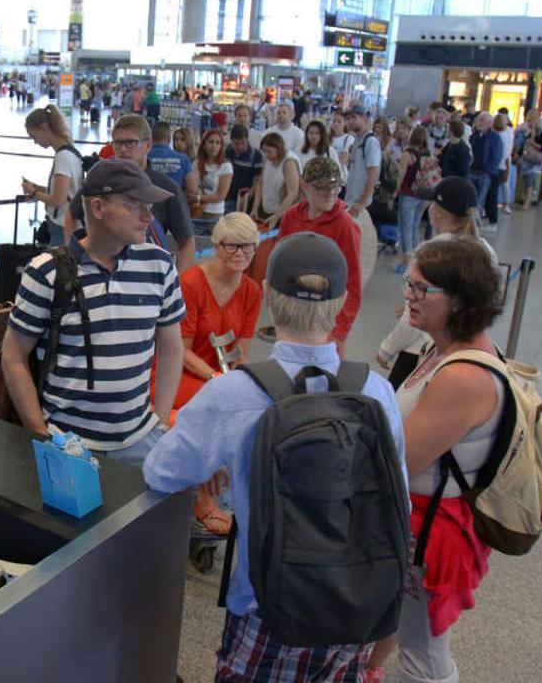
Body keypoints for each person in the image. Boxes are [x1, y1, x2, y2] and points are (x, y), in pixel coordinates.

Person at [144, 232, 406, 683]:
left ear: (265, 294)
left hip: (268, 605)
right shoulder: (376, 392)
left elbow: (161, 471)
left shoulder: (234, 393)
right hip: (357, 602)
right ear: (342, 302)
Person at [362, 236, 504, 683]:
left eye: (422, 289)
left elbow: (402, 460)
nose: (408, 296)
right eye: (409, 283)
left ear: (460, 299)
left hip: (432, 536)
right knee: (410, 634)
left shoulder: (464, 375)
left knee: (424, 656)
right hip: (417, 524)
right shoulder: (438, 348)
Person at [1, 159, 185, 465]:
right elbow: (14, 356)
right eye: (134, 205)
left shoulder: (159, 265)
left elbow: (171, 349)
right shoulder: (46, 271)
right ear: (98, 208)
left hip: (142, 441)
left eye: (148, 206)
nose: (148, 216)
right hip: (68, 444)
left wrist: (160, 424)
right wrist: (41, 433)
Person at [375, 177, 493, 388]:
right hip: (465, 351)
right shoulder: (485, 252)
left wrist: (387, 348)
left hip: (421, 352)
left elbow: (414, 315)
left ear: (441, 212)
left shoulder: (430, 255)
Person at [66, 115, 196, 270]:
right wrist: (73, 259)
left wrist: (176, 285)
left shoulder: (166, 188)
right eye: (118, 143)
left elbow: (187, 242)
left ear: (148, 146)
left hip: (147, 277)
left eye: (131, 142)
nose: (123, 149)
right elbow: (72, 213)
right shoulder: (101, 181)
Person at [171, 212, 261, 408]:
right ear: (216, 247)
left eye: (247, 246)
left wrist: (236, 378)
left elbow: (240, 354)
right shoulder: (191, 284)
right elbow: (181, 353)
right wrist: (218, 380)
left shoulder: (253, 292)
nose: (240, 253)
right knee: (223, 404)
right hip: (177, 373)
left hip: (219, 375)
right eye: (231, 246)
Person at [277, 156, 362, 355]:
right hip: (293, 316)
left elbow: (353, 285)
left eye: (336, 187)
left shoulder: (345, 226)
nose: (331, 193)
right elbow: (279, 267)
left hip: (326, 320)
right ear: (306, 186)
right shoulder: (291, 217)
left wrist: (339, 333)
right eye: (323, 188)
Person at [22, 104, 81, 247]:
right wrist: (37, 188)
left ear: (43, 128)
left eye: (34, 136)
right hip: (64, 225)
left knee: (58, 268)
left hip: (62, 227)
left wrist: (33, 192)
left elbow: (57, 200)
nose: (35, 142)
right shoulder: (68, 152)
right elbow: (65, 192)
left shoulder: (63, 157)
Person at [344, 106, 381, 287]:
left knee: (359, 246)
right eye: (349, 117)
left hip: (360, 205)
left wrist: (362, 200)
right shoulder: (357, 141)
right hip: (351, 201)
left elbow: (374, 172)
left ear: (364, 118)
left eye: (355, 117)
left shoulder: (371, 142)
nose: (351, 121)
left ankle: (356, 282)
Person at [394, 124, 432, 273]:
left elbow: (401, 175)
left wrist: (395, 191)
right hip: (424, 195)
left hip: (409, 194)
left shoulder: (407, 154)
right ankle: (417, 258)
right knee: (415, 227)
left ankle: (406, 261)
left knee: (405, 228)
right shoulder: (428, 154)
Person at [247, 132, 300, 231]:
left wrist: (276, 216)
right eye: (264, 151)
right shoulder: (268, 159)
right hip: (266, 209)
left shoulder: (289, 163)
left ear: (279, 149)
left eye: (269, 152)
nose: (266, 155)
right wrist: (255, 208)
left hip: (282, 214)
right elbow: (260, 183)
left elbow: (293, 194)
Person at [147, 120, 194, 194]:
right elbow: (192, 190)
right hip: (175, 202)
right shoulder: (183, 159)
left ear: (151, 138)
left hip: (148, 202)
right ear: (169, 139)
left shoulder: (143, 156)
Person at [196, 129, 233, 219]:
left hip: (215, 213)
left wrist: (198, 198)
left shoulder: (225, 166)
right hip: (196, 210)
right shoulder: (196, 163)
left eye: (218, 143)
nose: (214, 146)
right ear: (204, 145)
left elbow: (220, 196)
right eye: (211, 142)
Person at [225, 123, 263, 213]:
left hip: (246, 199)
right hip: (228, 197)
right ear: (231, 141)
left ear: (247, 140)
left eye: (243, 143)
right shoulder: (228, 151)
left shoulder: (256, 155)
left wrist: (248, 196)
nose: (240, 146)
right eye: (236, 143)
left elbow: (258, 181)